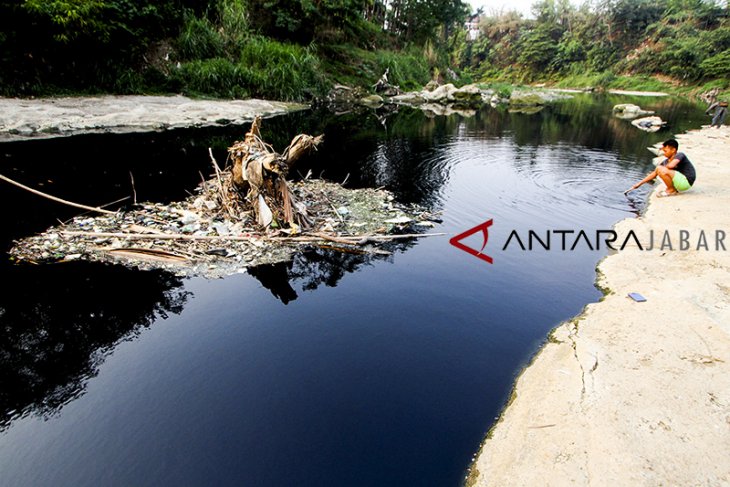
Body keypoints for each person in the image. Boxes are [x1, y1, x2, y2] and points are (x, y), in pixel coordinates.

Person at [624, 139, 696, 197]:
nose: (664, 153)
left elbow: (671, 166)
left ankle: (671, 190)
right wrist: (639, 184)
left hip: (686, 181)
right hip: (679, 182)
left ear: (673, 150)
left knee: (660, 168)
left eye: (665, 151)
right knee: (659, 169)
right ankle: (672, 189)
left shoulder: (680, 155)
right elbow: (654, 173)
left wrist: (662, 168)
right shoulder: (666, 161)